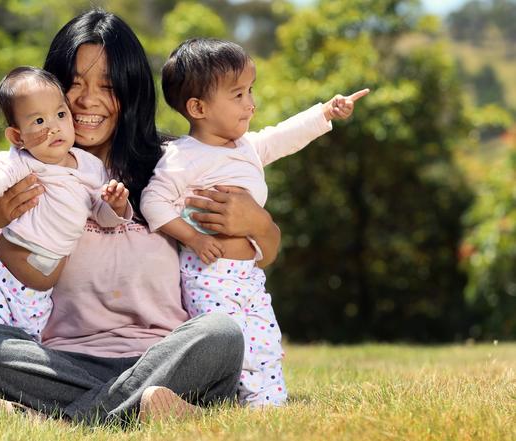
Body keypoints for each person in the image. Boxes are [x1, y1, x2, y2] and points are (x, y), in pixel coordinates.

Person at [0, 9, 281, 425]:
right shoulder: (28, 170)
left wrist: (261, 224)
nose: (87, 100)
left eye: (108, 87)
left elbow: (253, 258)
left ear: (130, 93)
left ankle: (55, 418)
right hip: (61, 364)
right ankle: (140, 411)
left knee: (222, 335)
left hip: (165, 361)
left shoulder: (172, 168)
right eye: (73, 84)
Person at [141, 38, 368, 407]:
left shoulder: (246, 146)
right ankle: (223, 400)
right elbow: (153, 203)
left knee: (264, 340)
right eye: (238, 95)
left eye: (250, 90)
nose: (251, 103)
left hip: (248, 273)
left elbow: (283, 137)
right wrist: (194, 240)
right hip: (208, 274)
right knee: (235, 344)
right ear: (198, 107)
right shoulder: (183, 157)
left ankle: (269, 405)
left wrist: (324, 113)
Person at [0, 66, 132, 410]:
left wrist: (116, 206)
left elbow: (102, 215)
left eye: (60, 115)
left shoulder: (89, 167)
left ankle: (1, 406)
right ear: (17, 137)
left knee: (22, 353)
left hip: (38, 299)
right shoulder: (20, 164)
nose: (54, 128)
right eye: (38, 122)